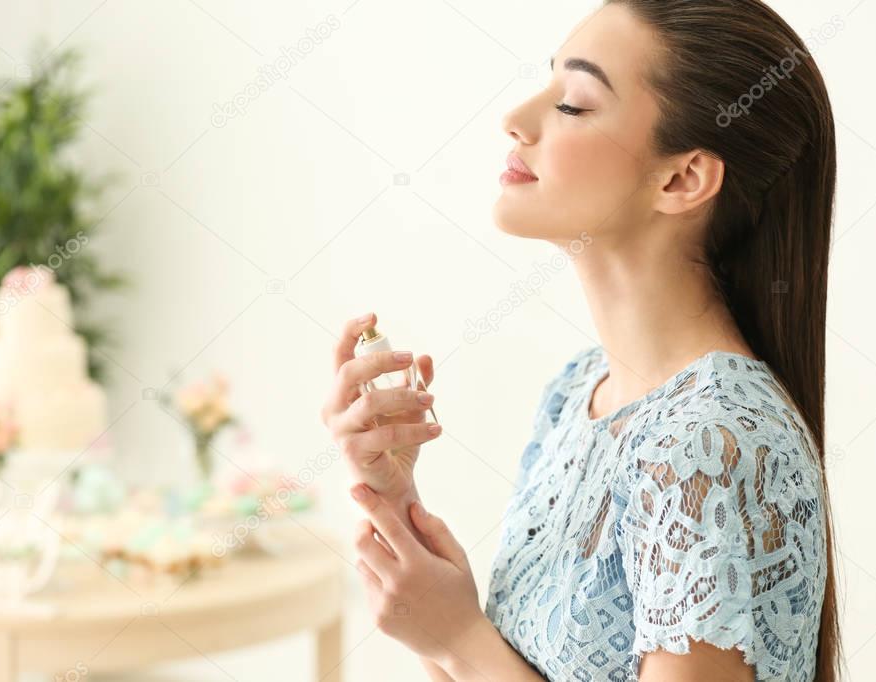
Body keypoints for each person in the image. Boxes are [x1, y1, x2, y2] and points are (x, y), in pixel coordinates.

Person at [320, 1, 842, 680]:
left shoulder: (710, 444)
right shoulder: (579, 393)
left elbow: (470, 652)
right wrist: (392, 504)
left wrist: (458, 638)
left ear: (680, 179)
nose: (516, 120)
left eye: (571, 103)